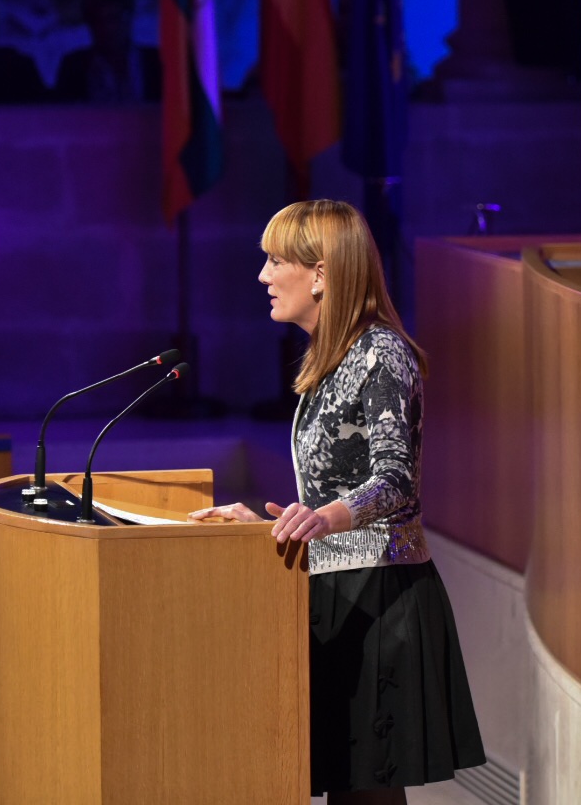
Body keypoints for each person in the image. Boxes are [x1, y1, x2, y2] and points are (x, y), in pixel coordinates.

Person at [189, 199, 485, 803]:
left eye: (276, 261)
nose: (263, 276)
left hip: (381, 600)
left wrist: (324, 519)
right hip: (333, 593)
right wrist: (261, 524)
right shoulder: (331, 359)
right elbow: (327, 489)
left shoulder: (381, 352)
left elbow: (397, 480)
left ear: (321, 273)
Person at [53, 0, 162, 103]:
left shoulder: (157, 61)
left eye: (114, 18)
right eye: (98, 20)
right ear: (90, 24)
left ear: (129, 18)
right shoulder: (73, 66)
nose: (107, 28)